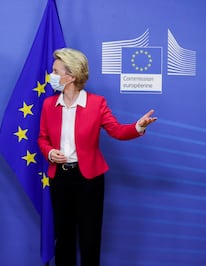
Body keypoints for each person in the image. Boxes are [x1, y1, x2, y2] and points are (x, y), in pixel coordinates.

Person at [37, 48, 157, 266]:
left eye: (55, 71)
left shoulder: (96, 103)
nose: (51, 75)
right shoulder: (48, 105)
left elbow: (118, 131)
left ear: (71, 75)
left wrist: (138, 127)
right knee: (63, 237)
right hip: (60, 179)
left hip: (89, 179)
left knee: (90, 237)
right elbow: (42, 138)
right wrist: (49, 152)